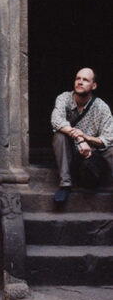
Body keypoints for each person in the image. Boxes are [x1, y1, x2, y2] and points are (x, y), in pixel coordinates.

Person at [51, 68, 113, 203]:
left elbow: (107, 138)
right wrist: (79, 138)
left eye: (85, 80)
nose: (80, 82)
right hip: (70, 154)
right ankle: (65, 185)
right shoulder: (64, 98)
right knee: (59, 136)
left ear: (93, 86)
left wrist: (87, 138)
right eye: (78, 79)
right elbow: (56, 121)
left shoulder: (102, 107)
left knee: (111, 149)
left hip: (93, 157)